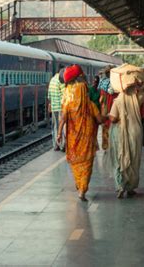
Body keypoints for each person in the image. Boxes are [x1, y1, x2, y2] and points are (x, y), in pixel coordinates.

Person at [57, 64, 106, 201]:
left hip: (73, 140)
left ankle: (79, 184)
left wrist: (59, 134)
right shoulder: (90, 105)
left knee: (76, 163)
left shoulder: (69, 104)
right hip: (88, 139)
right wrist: (105, 113)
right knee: (86, 164)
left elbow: (62, 120)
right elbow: (100, 120)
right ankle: (82, 189)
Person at [106, 64, 144, 198]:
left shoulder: (118, 101)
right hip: (135, 132)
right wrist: (138, 84)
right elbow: (143, 90)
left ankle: (120, 186)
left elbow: (112, 118)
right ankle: (130, 187)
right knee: (134, 160)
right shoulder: (138, 99)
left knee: (120, 159)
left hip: (121, 133)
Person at [48, 65, 65, 151]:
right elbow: (64, 94)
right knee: (61, 126)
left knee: (55, 126)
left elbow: (49, 95)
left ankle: (55, 145)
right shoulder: (61, 80)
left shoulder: (52, 80)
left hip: (54, 107)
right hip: (61, 107)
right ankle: (62, 145)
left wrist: (50, 106)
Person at [98, 67, 115, 151]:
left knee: (105, 127)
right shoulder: (117, 84)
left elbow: (101, 99)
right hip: (115, 110)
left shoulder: (103, 84)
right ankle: (113, 145)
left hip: (105, 109)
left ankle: (105, 145)